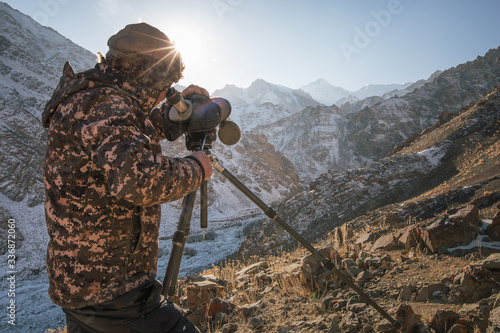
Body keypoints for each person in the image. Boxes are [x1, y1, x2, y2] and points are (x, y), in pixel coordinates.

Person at [41, 22, 212, 332]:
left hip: (84, 286)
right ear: (147, 77)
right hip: (112, 292)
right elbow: (140, 180)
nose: (166, 94)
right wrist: (196, 167)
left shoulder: (97, 97)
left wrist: (173, 116)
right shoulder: (104, 104)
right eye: (165, 84)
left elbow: (126, 133)